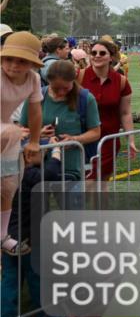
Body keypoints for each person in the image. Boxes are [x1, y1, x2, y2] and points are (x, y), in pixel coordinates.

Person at [6, 60, 100, 254]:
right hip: (37, 168)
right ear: (47, 82)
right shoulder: (36, 97)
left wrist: (75, 138)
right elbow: (22, 129)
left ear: (74, 81)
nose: (60, 93)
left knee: (72, 216)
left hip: (70, 169)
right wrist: (38, 133)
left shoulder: (85, 99)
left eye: (65, 88)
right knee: (36, 215)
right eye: (56, 88)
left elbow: (95, 132)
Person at [0, 32, 43, 252]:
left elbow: (35, 111)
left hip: (5, 130)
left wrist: (35, 141)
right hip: (5, 130)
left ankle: (2, 236)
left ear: (31, 64)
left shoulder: (33, 79)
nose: (13, 65)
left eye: (22, 60)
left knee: (9, 184)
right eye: (8, 58)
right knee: (11, 132)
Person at [79, 39, 136, 180]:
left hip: (108, 140)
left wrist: (131, 139)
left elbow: (125, 113)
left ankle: (101, 203)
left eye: (102, 53)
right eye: (93, 53)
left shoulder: (121, 81)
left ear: (111, 57)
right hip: (82, 139)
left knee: (103, 179)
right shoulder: (79, 76)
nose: (97, 56)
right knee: (86, 180)